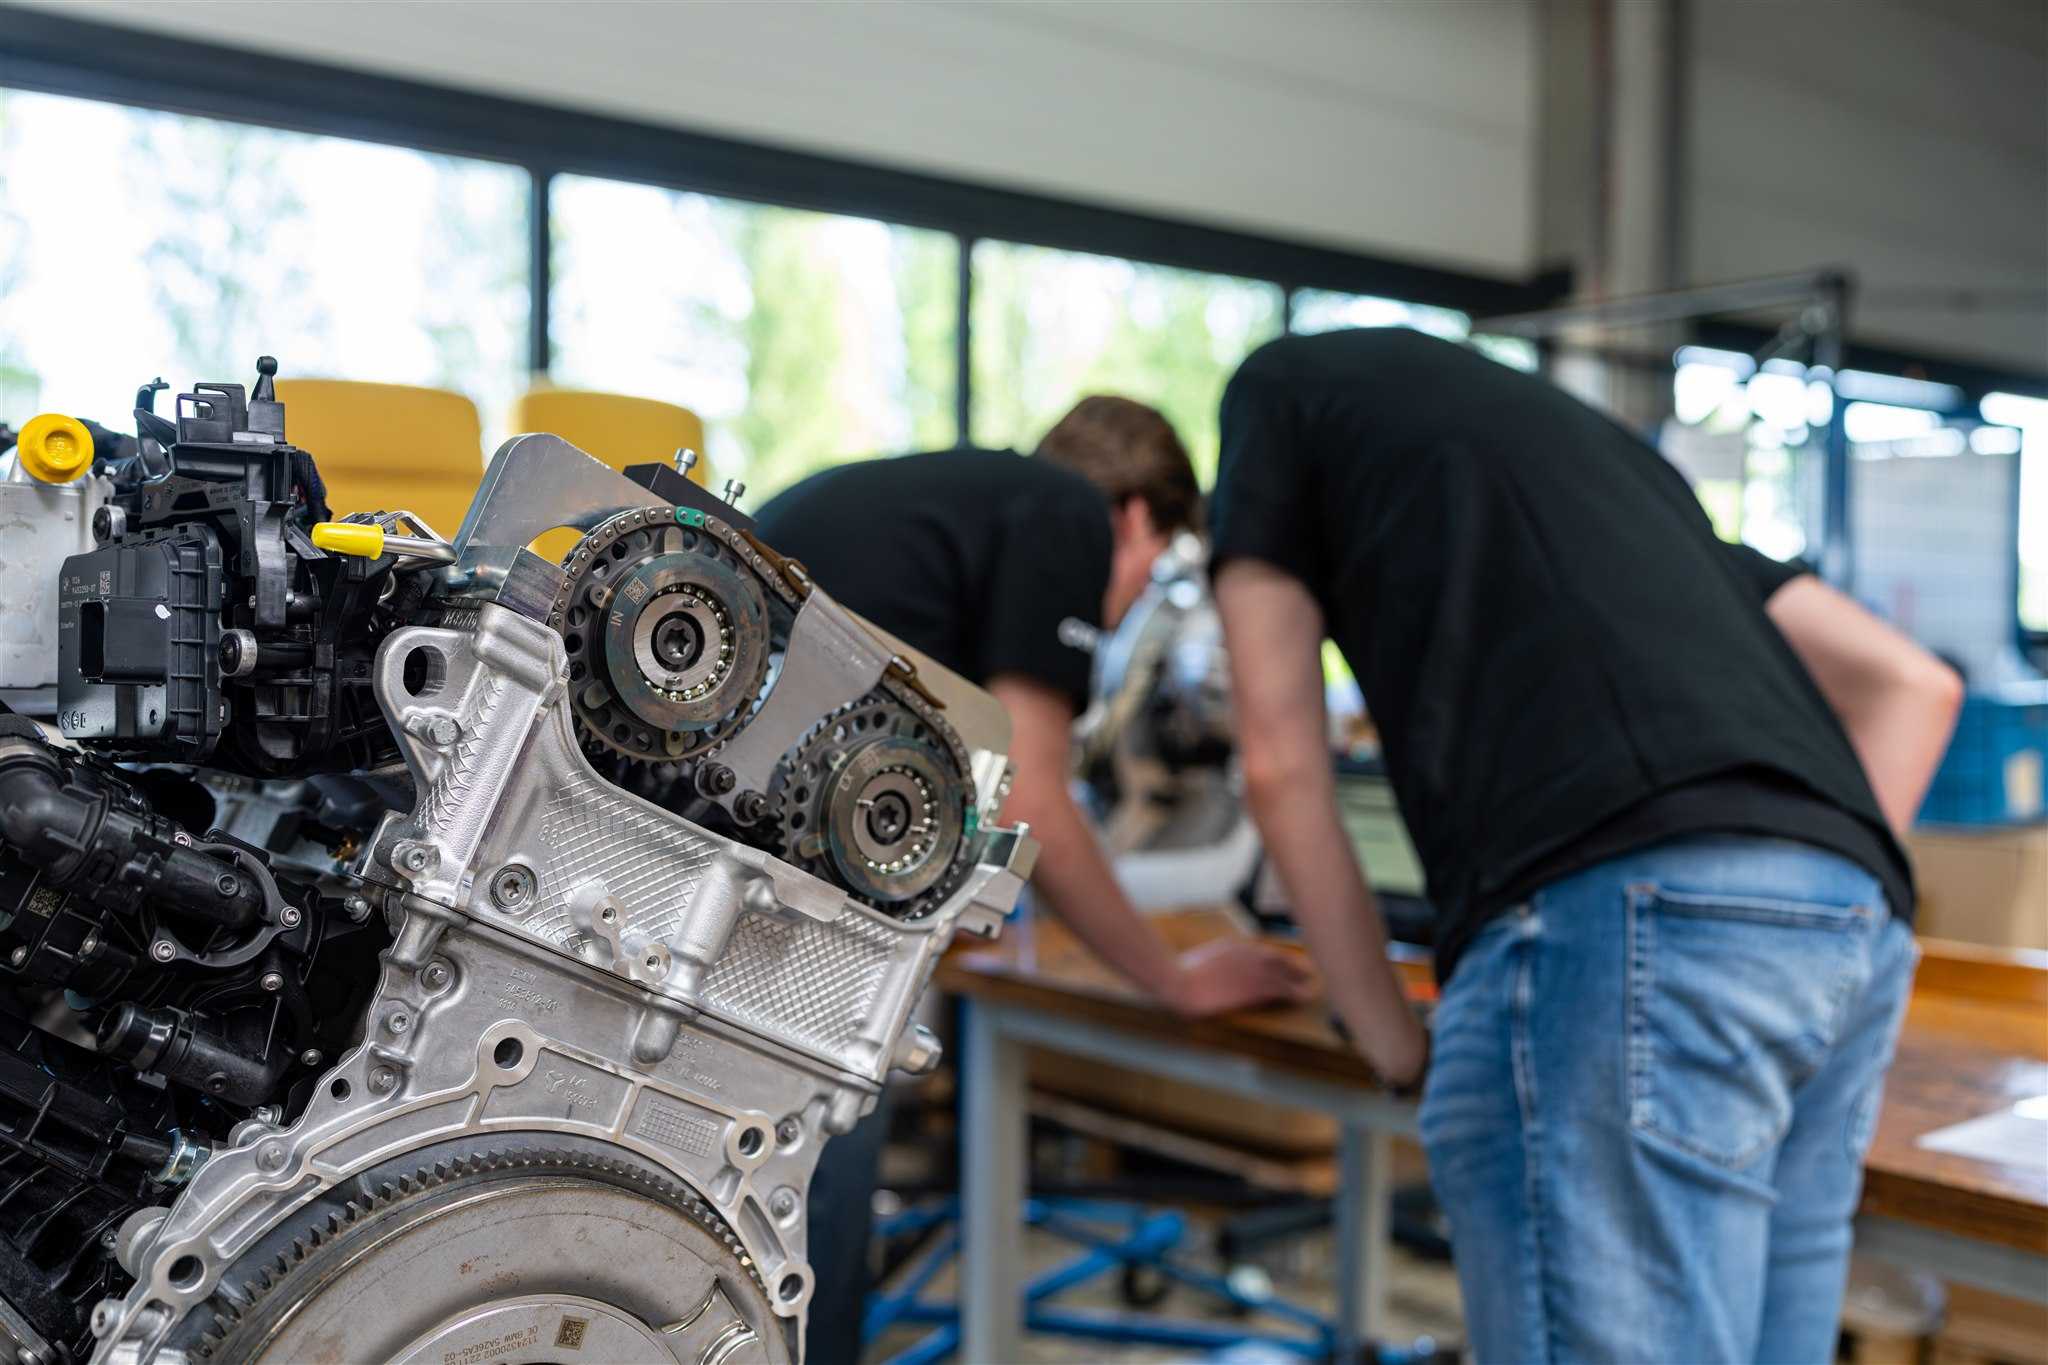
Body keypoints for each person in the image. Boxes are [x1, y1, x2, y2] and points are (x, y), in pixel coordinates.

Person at [1207, 328, 1962, 1364]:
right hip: (1851, 925)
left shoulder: (1281, 389)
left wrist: (1387, 1037)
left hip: (1617, 907)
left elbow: (1279, 763)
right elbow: (1917, 686)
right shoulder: (1622, 479)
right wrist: (1777, 892)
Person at [757, 396, 1315, 1365]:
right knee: (806, 1228)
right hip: (783, 912)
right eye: (1151, 568)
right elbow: (1034, 805)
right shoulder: (1066, 514)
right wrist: (1176, 982)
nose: (1126, 605)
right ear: (1134, 517)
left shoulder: (962, 501)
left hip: (711, 851)